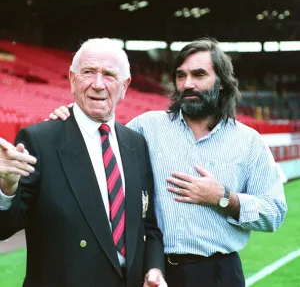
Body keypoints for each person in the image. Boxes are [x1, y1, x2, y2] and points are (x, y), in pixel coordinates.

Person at [49, 37, 287, 287]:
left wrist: (223, 198)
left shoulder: (249, 142)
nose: (188, 84)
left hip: (218, 273)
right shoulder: (146, 126)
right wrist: (73, 119)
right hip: (153, 270)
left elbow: (275, 213)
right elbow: (100, 147)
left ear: (222, 84)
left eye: (199, 75)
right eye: (181, 76)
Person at [0, 38, 167, 287]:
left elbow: (148, 225)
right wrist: (6, 188)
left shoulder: (136, 144)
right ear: (72, 79)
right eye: (88, 72)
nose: (97, 84)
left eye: (109, 75)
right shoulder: (39, 141)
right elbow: (5, 228)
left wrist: (154, 269)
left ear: (125, 86)